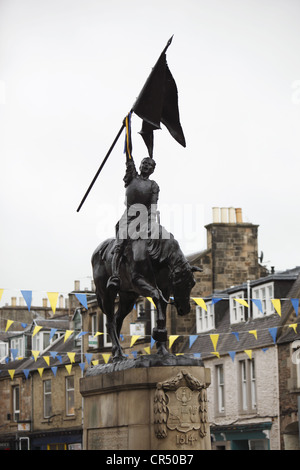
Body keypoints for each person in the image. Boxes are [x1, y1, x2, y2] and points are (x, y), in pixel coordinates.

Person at [106, 152, 160, 291]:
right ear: (140, 165)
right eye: (144, 163)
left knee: (159, 241)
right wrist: (127, 132)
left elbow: (153, 207)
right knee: (120, 244)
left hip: (144, 220)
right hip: (128, 218)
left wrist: (151, 223)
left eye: (150, 165)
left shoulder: (153, 186)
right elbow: (129, 157)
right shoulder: (132, 177)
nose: (146, 166)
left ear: (153, 170)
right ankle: (115, 276)